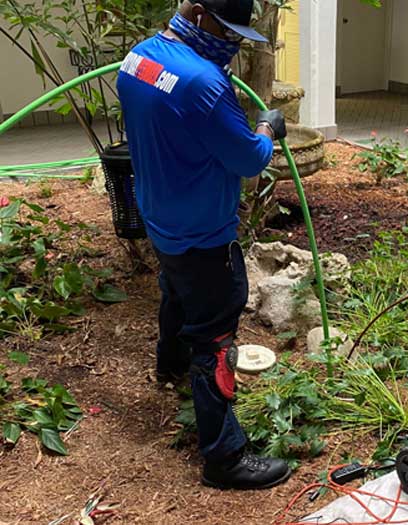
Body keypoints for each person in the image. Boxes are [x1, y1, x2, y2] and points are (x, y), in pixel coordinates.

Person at [116, 0, 291, 490]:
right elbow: (250, 159)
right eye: (226, 27)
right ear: (196, 12)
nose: (232, 41)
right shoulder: (206, 84)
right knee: (215, 335)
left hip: (160, 218)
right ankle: (224, 457)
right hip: (204, 233)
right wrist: (267, 128)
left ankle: (167, 367)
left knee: (176, 288)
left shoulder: (138, 60)